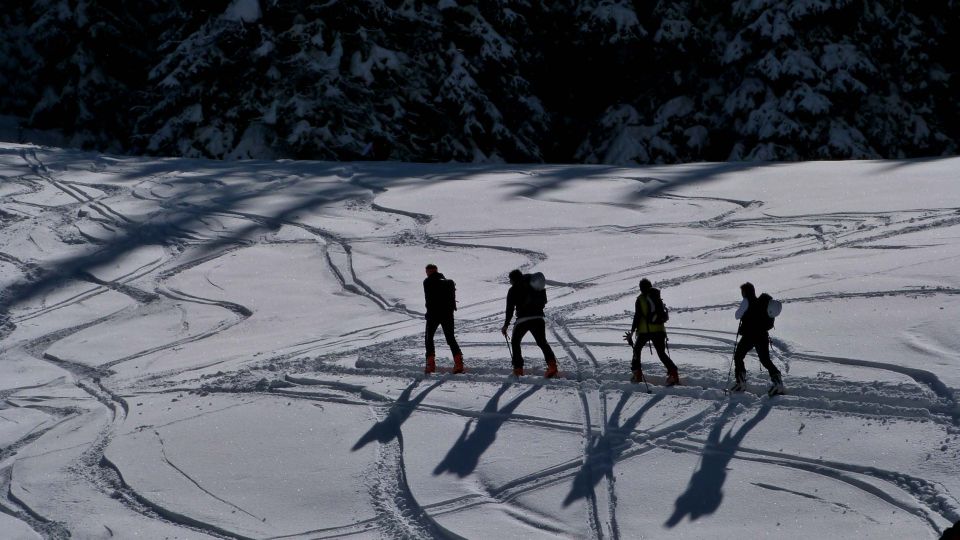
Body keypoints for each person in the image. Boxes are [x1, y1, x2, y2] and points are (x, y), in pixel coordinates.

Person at [500, 269, 559, 378]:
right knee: (542, 342)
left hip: (523, 320)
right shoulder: (533, 284)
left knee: (515, 341)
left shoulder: (513, 290)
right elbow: (543, 301)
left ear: (513, 279)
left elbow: (509, 309)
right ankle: (552, 366)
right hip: (538, 318)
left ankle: (518, 369)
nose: (510, 282)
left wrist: (505, 325)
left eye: (510, 280)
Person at [732, 282, 783, 395]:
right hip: (762, 335)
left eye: (742, 292)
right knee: (765, 360)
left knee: (738, 356)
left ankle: (741, 383)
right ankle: (778, 382)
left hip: (750, 336)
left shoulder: (747, 301)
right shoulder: (761, 302)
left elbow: (737, 315)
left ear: (745, 292)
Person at [626, 279, 680, 385]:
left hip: (645, 331)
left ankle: (637, 374)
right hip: (659, 330)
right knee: (661, 353)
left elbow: (637, 316)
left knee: (637, 350)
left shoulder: (640, 299)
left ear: (641, 288)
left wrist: (632, 332)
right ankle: (673, 374)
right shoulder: (656, 297)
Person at [423, 264, 463, 374]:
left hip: (433, 315)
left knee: (429, 338)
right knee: (450, 338)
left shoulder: (427, 282)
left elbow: (429, 299)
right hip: (447, 315)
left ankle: (430, 365)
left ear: (428, 272)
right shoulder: (447, 282)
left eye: (427, 271)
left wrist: (428, 313)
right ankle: (459, 363)